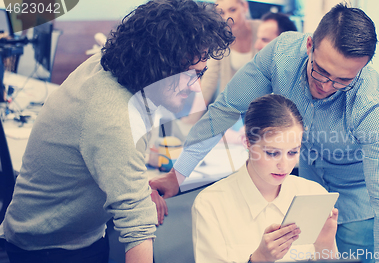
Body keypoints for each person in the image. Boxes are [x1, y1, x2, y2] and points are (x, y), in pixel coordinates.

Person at [152, 2, 379, 263]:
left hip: (358, 199)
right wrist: (178, 175)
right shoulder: (281, 56)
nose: (327, 86)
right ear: (309, 46)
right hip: (306, 190)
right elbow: (225, 109)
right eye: (321, 72)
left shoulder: (374, 108)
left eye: (343, 80)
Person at [0, 1, 234, 262]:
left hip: (68, 235)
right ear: (156, 64)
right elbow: (137, 227)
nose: (195, 89)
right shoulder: (112, 114)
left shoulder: (115, 68)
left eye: (200, 74)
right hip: (51, 249)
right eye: (188, 75)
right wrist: (137, 200)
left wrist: (138, 190)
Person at [192, 94, 339, 262]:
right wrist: (259, 259)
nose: (284, 165)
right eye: (272, 153)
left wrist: (324, 245)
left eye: (293, 152)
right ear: (247, 143)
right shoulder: (211, 204)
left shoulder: (313, 194)